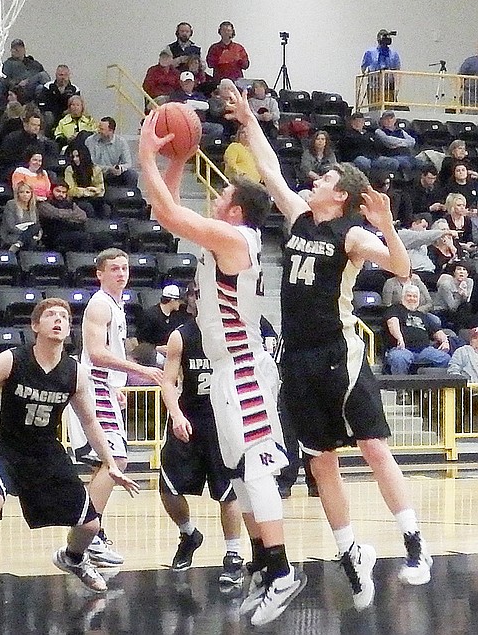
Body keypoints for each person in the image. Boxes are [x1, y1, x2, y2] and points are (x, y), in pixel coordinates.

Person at [216, 81, 432, 611]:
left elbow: (400, 269)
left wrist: (387, 226)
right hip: (297, 356)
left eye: (326, 177)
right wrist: (248, 120)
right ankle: (350, 551)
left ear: (341, 195)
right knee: (321, 463)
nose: (315, 178)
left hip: (339, 352)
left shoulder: (354, 236)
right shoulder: (297, 217)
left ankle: (414, 545)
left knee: (375, 448)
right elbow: (268, 168)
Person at [138, 119, 306, 627]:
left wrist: (147, 153)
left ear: (235, 209)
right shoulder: (227, 238)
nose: (215, 196)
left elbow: (167, 210)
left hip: (246, 369)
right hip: (229, 368)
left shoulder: (236, 238)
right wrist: (176, 161)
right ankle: (261, 566)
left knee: (255, 468)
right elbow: (164, 216)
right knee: (240, 470)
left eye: (223, 192)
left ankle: (281, 571)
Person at [0, 297, 139, 621]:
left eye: (63, 316)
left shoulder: (75, 373)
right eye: (50, 315)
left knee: (90, 524)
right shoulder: (12, 360)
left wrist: (109, 463)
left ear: (68, 329)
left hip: (45, 450)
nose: (58, 320)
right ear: (35, 326)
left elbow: (91, 422)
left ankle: (74, 558)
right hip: (2, 447)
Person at [66, 250, 162, 569]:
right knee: (116, 458)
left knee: (104, 465)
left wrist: (117, 384)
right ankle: (90, 533)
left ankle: (92, 533)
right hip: (92, 384)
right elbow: (96, 353)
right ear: (100, 274)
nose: (121, 273)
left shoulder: (117, 304)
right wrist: (141, 371)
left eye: (125, 268)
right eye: (114, 269)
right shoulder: (100, 303)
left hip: (103, 386)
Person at [159, 286, 244, 585]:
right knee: (168, 488)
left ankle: (234, 555)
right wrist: (177, 415)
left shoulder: (233, 333)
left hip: (224, 421)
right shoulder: (181, 335)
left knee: (227, 491)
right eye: (197, 295)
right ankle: (188, 534)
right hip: (190, 418)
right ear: (191, 301)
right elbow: (168, 382)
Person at [385, 284, 452, 373]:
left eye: (415, 296)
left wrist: (445, 341)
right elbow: (392, 323)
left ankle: (432, 386)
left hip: (424, 350)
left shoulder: (422, 315)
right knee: (399, 358)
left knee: (445, 359)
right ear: (403, 297)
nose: (412, 299)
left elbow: (437, 331)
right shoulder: (395, 309)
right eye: (409, 296)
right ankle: (400, 387)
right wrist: (399, 338)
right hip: (402, 349)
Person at [0, 39, 50, 112]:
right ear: (11, 50)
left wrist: (27, 81)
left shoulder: (34, 64)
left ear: (24, 49)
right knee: (42, 75)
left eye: (19, 47)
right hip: (18, 89)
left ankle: (49, 100)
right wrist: (18, 82)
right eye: (14, 48)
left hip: (31, 87)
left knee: (42, 80)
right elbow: (4, 80)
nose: (16, 50)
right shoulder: (8, 64)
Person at [136, 285, 190, 355]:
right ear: (172, 300)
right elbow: (141, 340)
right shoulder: (150, 315)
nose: (180, 303)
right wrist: (156, 348)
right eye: (178, 301)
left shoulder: (177, 315)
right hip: (153, 355)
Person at [84, 117, 138, 187]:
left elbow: (128, 163)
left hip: (114, 174)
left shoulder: (121, 142)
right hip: (97, 174)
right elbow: (90, 164)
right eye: (99, 128)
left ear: (111, 131)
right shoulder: (90, 141)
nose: (98, 131)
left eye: (102, 129)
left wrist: (119, 168)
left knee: (132, 174)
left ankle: (130, 196)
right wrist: (108, 169)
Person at [169, 72, 222, 138]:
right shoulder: (176, 95)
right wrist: (197, 105)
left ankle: (202, 142)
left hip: (200, 123)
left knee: (218, 128)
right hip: (185, 124)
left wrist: (190, 103)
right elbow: (179, 108)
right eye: (186, 82)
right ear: (181, 83)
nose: (188, 84)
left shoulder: (199, 95)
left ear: (193, 83)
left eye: (190, 82)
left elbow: (206, 106)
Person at [65, 144, 109, 218]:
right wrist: (87, 191)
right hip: (77, 199)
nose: (75, 159)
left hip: (93, 198)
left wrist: (93, 191)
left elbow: (101, 190)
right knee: (87, 207)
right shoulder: (69, 169)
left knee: (106, 207)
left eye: (77, 156)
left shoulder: (95, 169)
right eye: (73, 157)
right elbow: (71, 190)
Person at [360, 29, 401, 105]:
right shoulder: (370, 53)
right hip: (374, 87)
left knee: (388, 109)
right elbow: (363, 68)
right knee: (375, 108)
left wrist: (396, 89)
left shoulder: (394, 54)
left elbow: (397, 71)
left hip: (388, 87)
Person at [0, 181, 41, 253]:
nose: (25, 195)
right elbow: (10, 226)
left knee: (35, 228)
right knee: (31, 240)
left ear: (31, 194)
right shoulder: (11, 204)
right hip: (12, 235)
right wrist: (27, 234)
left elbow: (37, 226)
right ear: (17, 194)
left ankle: (18, 244)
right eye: (21, 192)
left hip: (28, 236)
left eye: (27, 192)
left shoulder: (33, 207)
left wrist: (39, 234)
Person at [40, 64, 81, 131]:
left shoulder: (74, 89)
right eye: (61, 75)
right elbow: (43, 105)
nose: (63, 78)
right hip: (52, 113)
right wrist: (60, 111)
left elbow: (78, 105)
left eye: (65, 75)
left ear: (69, 76)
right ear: (56, 75)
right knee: (48, 115)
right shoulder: (48, 86)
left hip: (68, 114)